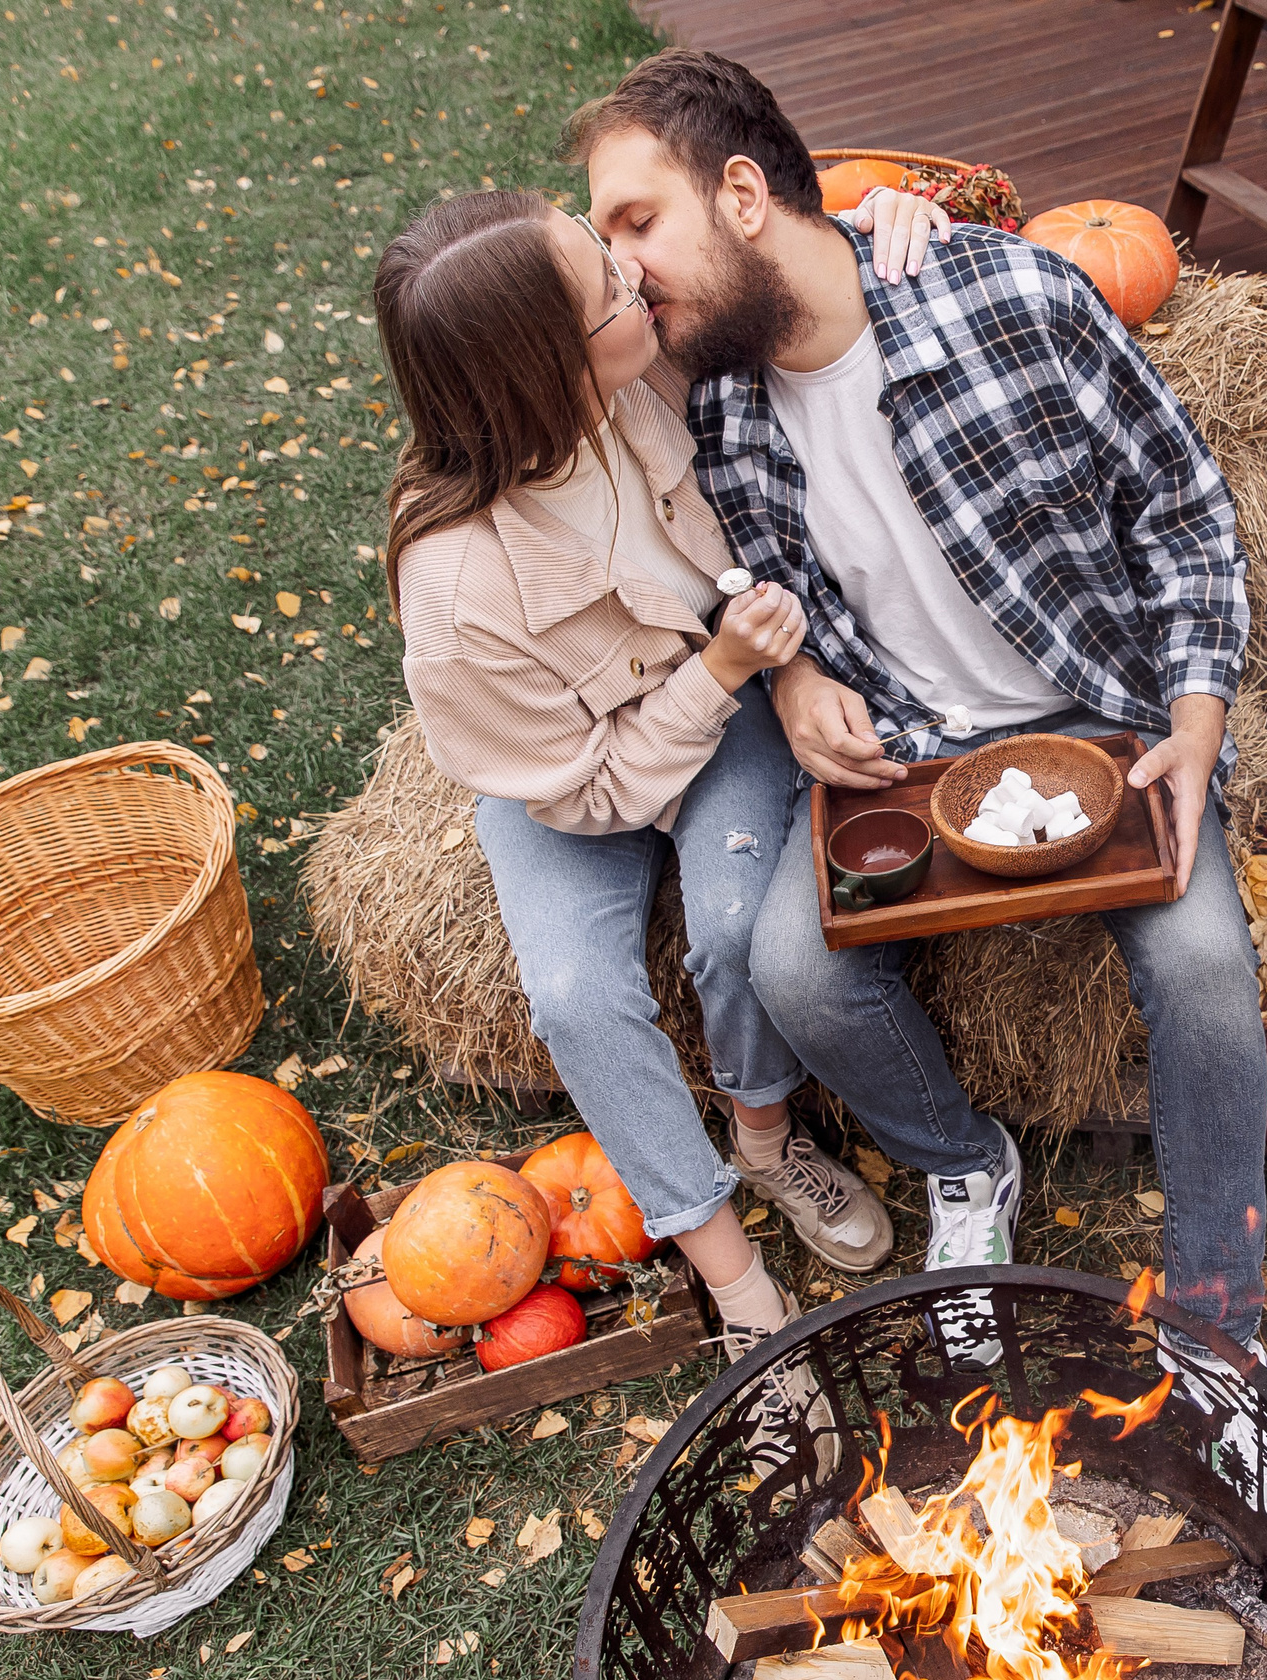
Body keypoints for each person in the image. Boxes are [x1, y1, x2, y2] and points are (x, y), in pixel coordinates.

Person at [568, 53, 1267, 1366]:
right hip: (912, 745)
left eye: (634, 222)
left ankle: (1221, 1319)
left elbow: (1183, 514)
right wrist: (793, 676)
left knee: (1208, 971)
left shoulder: (1018, 298)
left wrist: (1196, 707)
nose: (619, 268)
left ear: (739, 194)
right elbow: (757, 575)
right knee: (794, 971)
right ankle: (965, 1162)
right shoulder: (713, 398)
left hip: (1106, 716)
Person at [369, 181, 951, 1440]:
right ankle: (730, 1275)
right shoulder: (460, 590)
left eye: (606, 252)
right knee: (576, 996)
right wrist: (726, 671)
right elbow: (584, 790)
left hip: (718, 701)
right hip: (572, 783)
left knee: (742, 925)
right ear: (551, 373)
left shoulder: (654, 358)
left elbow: (753, 215)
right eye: (605, 289)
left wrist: (886, 211)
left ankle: (760, 1127)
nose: (635, 275)